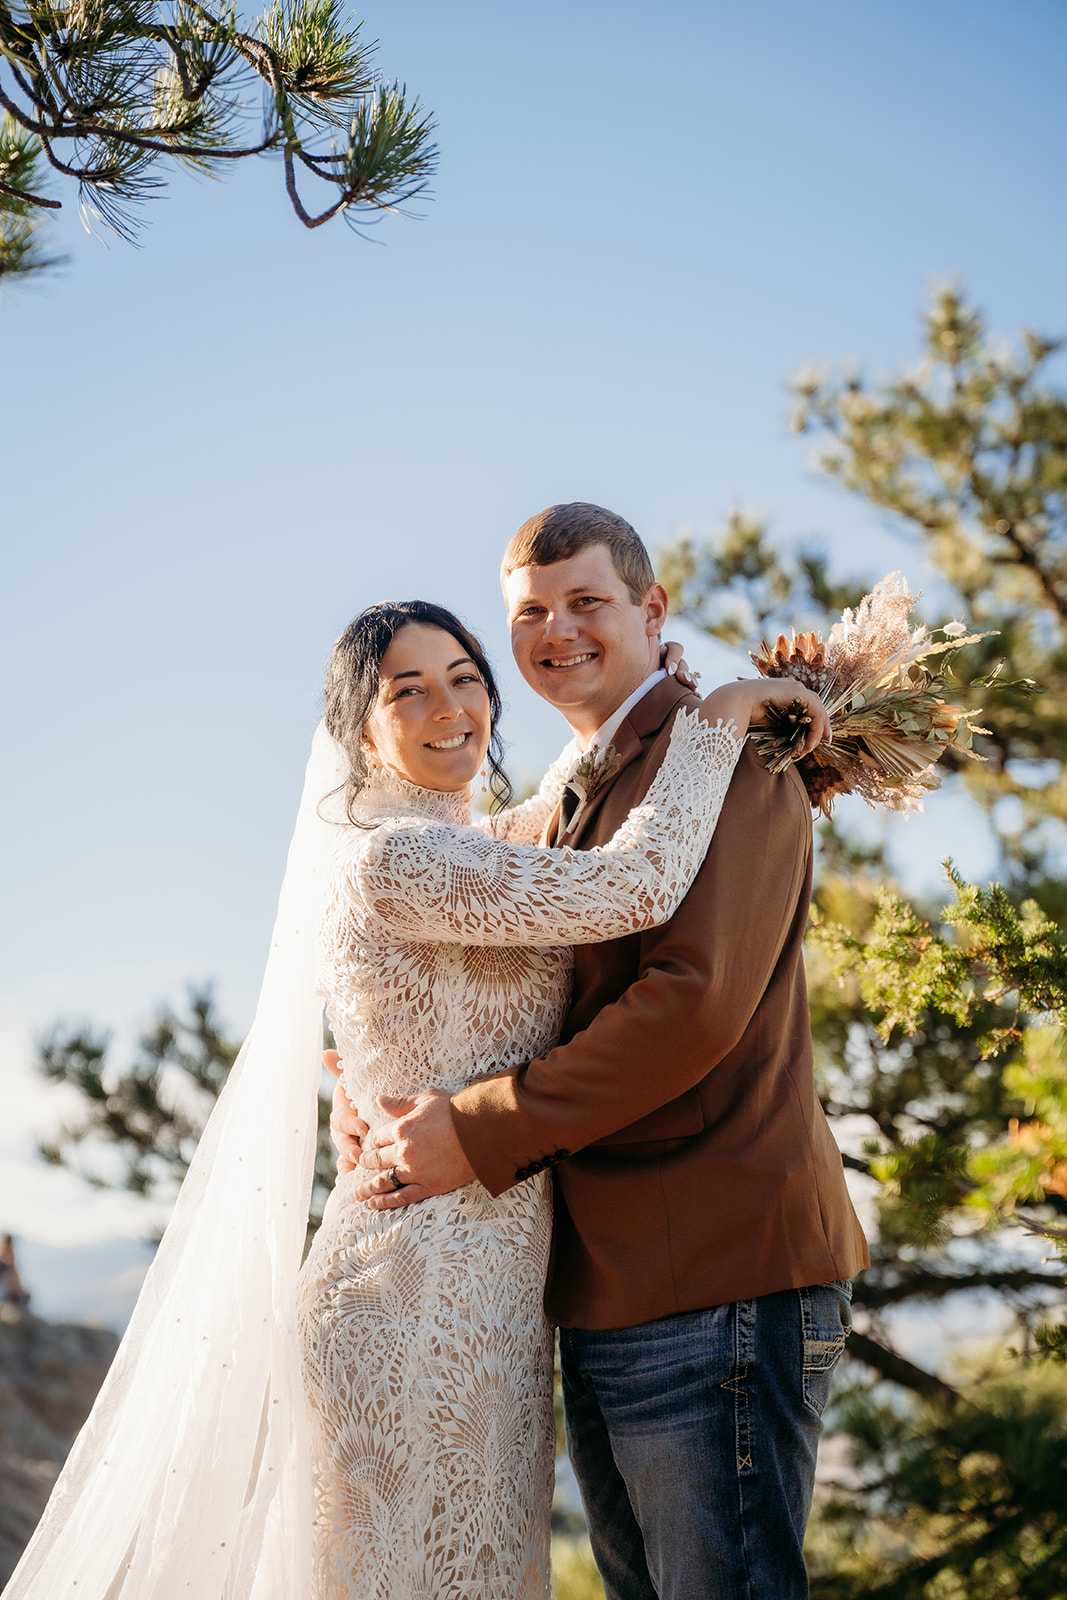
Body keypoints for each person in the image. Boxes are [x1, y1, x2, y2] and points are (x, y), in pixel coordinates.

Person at [5, 591, 827, 1600]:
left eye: (465, 678)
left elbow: (577, 785)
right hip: (410, 1291)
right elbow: (639, 884)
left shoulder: (474, 843)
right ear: (361, 728)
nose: (450, 706)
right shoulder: (401, 858)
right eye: (409, 690)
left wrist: (693, 700)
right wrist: (724, 710)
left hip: (489, 1293)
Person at [349, 504, 871, 1600]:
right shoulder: (581, 784)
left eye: (585, 601)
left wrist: (474, 1128)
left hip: (713, 1268)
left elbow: (691, 1004)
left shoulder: (725, 755)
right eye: (530, 613)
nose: (557, 631)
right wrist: (356, 1088)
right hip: (603, 1287)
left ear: (649, 608)